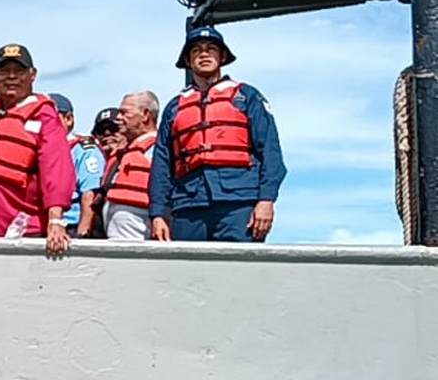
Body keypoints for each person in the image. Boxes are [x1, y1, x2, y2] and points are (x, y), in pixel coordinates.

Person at [150, 26, 286, 242]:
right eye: (196, 51)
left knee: (239, 271)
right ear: (187, 60)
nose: (204, 54)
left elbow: (271, 153)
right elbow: (161, 165)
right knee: (188, 273)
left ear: (222, 56)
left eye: (211, 49)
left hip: (239, 203)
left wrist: (266, 200)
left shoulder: (247, 96)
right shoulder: (174, 107)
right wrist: (157, 213)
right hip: (188, 205)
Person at [0, 44, 75, 255]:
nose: (11, 76)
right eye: (4, 71)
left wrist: (56, 220)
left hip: (21, 223)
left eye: (19, 71)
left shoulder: (44, 115)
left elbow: (56, 168)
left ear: (32, 75)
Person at [102, 91, 159, 240]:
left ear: (145, 114)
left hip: (139, 230)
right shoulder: (123, 152)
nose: (118, 118)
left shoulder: (159, 149)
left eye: (124, 112)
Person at [51, 94, 105, 238]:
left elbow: (89, 195)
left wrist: (82, 236)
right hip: (46, 226)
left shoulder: (83, 150)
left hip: (71, 227)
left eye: (51, 118)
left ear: (68, 119)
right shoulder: (42, 150)